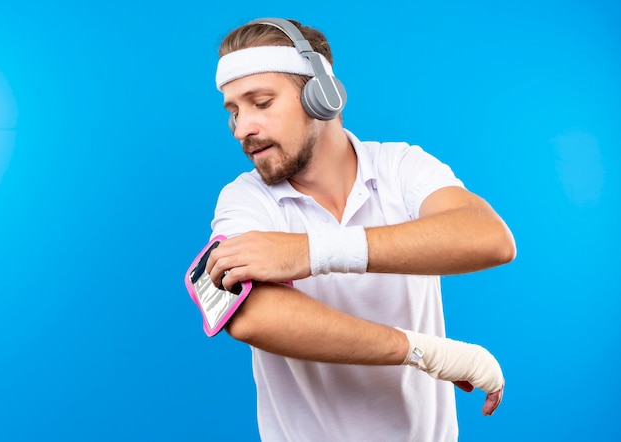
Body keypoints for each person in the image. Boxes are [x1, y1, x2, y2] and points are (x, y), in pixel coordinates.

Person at [198, 17, 516, 441]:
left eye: (261, 103)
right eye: (233, 111)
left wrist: (310, 252)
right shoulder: (245, 200)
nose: (242, 128)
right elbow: (251, 315)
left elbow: (488, 238)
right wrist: (428, 353)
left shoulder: (401, 167)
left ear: (322, 97)